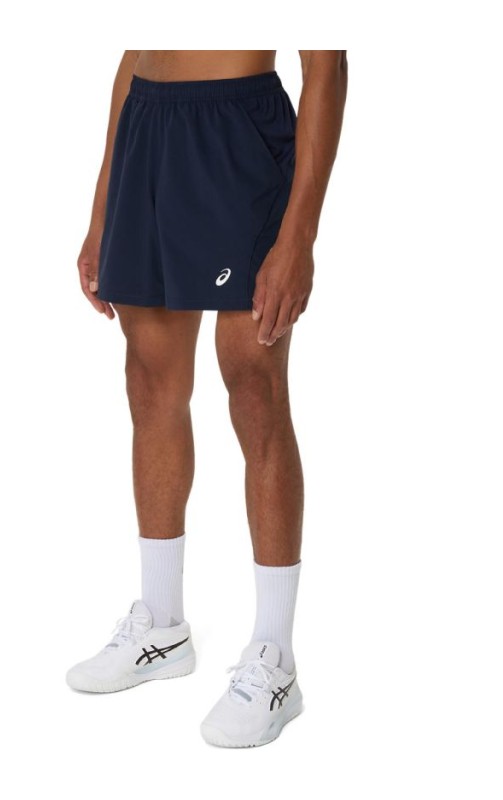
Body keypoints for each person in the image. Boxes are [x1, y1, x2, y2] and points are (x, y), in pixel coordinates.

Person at [67, 50, 347, 748]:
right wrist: (102, 209)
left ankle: (275, 659)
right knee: (149, 379)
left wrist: (299, 238)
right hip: (148, 130)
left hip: (236, 132)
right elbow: (134, 54)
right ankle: (162, 627)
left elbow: (328, 63)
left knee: (253, 382)